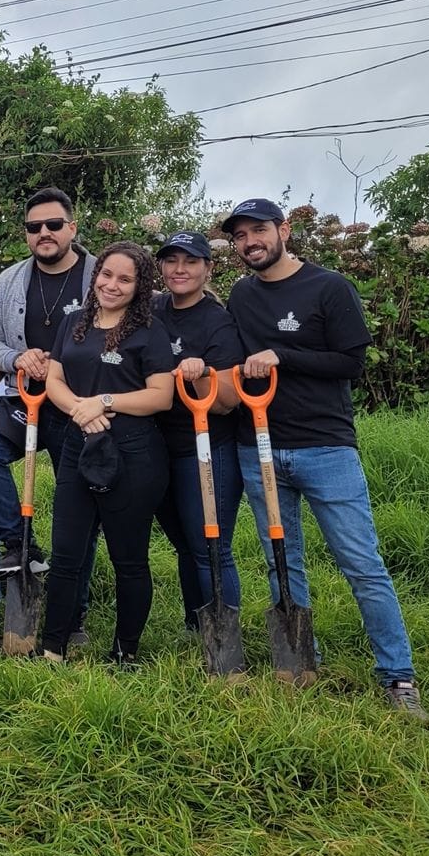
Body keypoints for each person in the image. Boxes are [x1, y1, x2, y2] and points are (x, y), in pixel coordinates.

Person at [222, 198, 425, 717]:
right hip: (258, 446)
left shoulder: (330, 287)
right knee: (281, 560)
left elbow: (351, 362)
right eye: (240, 236)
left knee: (361, 563)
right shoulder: (241, 294)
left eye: (258, 230)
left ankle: (398, 676)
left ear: (284, 230)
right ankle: (301, 661)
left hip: (325, 447)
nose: (250, 242)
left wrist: (283, 356)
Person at [38, 242, 175, 669]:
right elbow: (54, 380)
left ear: (139, 286)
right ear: (95, 275)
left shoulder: (149, 330)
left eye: (125, 279)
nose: (112, 285)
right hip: (78, 446)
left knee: (128, 559)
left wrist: (105, 401)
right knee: (66, 555)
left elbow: (162, 396)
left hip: (133, 453)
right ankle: (52, 649)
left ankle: (124, 652)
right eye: (107, 274)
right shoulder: (73, 322)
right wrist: (81, 409)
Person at [0, 186, 98, 642]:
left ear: (72, 228)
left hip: (76, 406)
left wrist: (62, 365)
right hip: (23, 399)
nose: (44, 232)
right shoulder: (10, 280)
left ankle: (74, 613)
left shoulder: (98, 275)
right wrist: (17, 358)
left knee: (77, 509)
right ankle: (19, 541)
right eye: (34, 227)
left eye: (53, 224)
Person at [149, 231, 244, 628]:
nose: (180, 269)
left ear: (208, 268)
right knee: (185, 545)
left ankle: (225, 634)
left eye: (190, 261)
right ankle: (197, 626)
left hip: (205, 448)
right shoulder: (153, 309)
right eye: (172, 261)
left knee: (210, 547)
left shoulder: (217, 322)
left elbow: (227, 401)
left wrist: (202, 372)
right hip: (158, 447)